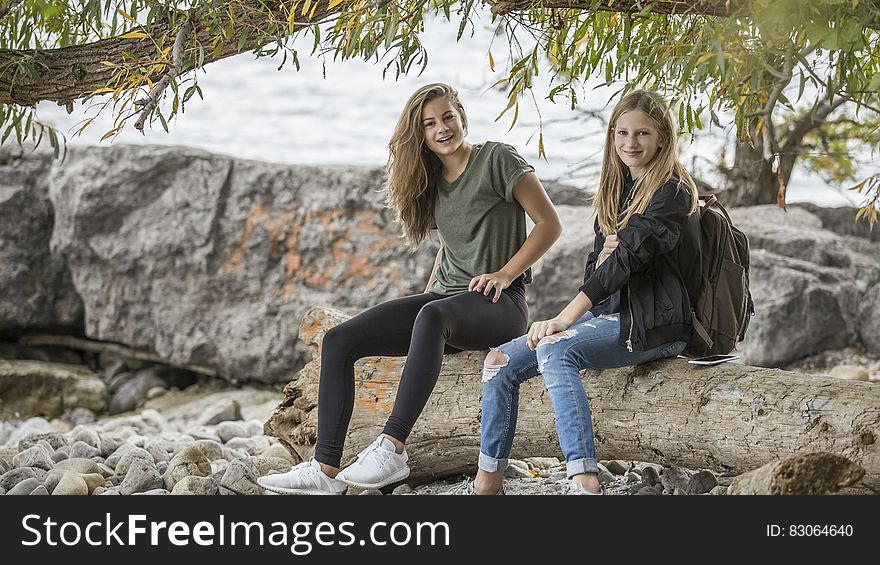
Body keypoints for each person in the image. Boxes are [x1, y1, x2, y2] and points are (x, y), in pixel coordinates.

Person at [258, 83, 562, 494]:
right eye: (429, 124)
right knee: (339, 339)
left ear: (462, 117)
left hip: (499, 304)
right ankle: (324, 469)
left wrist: (505, 274)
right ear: (419, 134)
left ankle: (392, 448)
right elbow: (449, 246)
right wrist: (427, 294)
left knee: (431, 314)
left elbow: (550, 224)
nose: (441, 129)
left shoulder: (497, 159)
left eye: (447, 117)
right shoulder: (432, 178)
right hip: (446, 306)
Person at [470, 89, 702, 495]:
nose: (631, 143)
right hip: (612, 314)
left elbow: (627, 259)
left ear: (662, 137)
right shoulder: (617, 189)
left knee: (556, 347)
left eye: (643, 134)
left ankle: (584, 480)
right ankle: (487, 483)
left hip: (654, 324)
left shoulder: (673, 192)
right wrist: (610, 253)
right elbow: (600, 266)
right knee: (499, 360)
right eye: (622, 132)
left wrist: (565, 317)